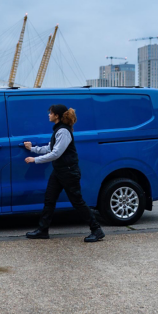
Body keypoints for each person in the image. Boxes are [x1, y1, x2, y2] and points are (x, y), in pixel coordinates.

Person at [23, 104, 105, 243]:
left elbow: (55, 153)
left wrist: (35, 160)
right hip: (60, 171)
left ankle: (97, 230)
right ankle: (43, 230)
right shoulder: (58, 130)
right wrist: (33, 149)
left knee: (77, 202)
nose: (49, 115)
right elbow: (50, 147)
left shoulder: (64, 131)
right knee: (49, 200)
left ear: (57, 116)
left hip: (68, 172)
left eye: (51, 113)